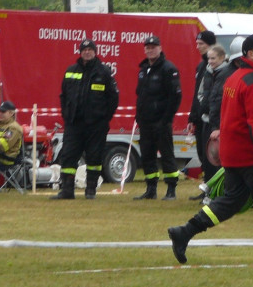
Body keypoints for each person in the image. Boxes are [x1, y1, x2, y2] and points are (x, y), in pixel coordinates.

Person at [167, 33, 253, 266]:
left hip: (234, 154)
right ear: (250, 54)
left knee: (231, 201)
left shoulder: (235, 77)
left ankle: (185, 232)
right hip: (251, 155)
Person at [51, 38, 120, 199]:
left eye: (90, 49)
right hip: (74, 123)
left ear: (95, 52)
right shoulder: (71, 70)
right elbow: (64, 95)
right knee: (68, 156)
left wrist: (104, 118)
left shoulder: (104, 72)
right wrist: (66, 115)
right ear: (80, 52)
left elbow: (113, 98)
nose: (87, 52)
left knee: (94, 158)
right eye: (84, 50)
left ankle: (90, 191)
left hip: (96, 124)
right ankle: (67, 190)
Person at [133, 35, 183, 200]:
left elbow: (175, 97)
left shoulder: (169, 69)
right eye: (147, 47)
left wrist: (166, 119)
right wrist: (138, 117)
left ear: (160, 48)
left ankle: (171, 190)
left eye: (153, 47)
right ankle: (151, 189)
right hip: (145, 122)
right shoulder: (144, 70)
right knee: (147, 156)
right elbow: (141, 95)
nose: (150, 50)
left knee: (167, 155)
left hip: (161, 121)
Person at [190, 43, 228, 199]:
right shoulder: (207, 72)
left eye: (213, 58)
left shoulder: (226, 73)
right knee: (207, 158)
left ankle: (217, 192)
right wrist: (203, 106)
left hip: (219, 123)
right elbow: (200, 93)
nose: (210, 61)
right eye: (209, 58)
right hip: (206, 120)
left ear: (222, 58)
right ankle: (208, 190)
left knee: (218, 159)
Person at [186, 30, 216, 179]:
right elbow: (196, 95)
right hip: (199, 116)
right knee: (201, 153)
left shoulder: (214, 67)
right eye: (197, 43)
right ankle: (206, 186)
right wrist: (192, 117)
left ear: (210, 45)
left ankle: (211, 189)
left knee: (209, 155)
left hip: (209, 118)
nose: (198, 47)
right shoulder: (201, 66)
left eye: (201, 44)